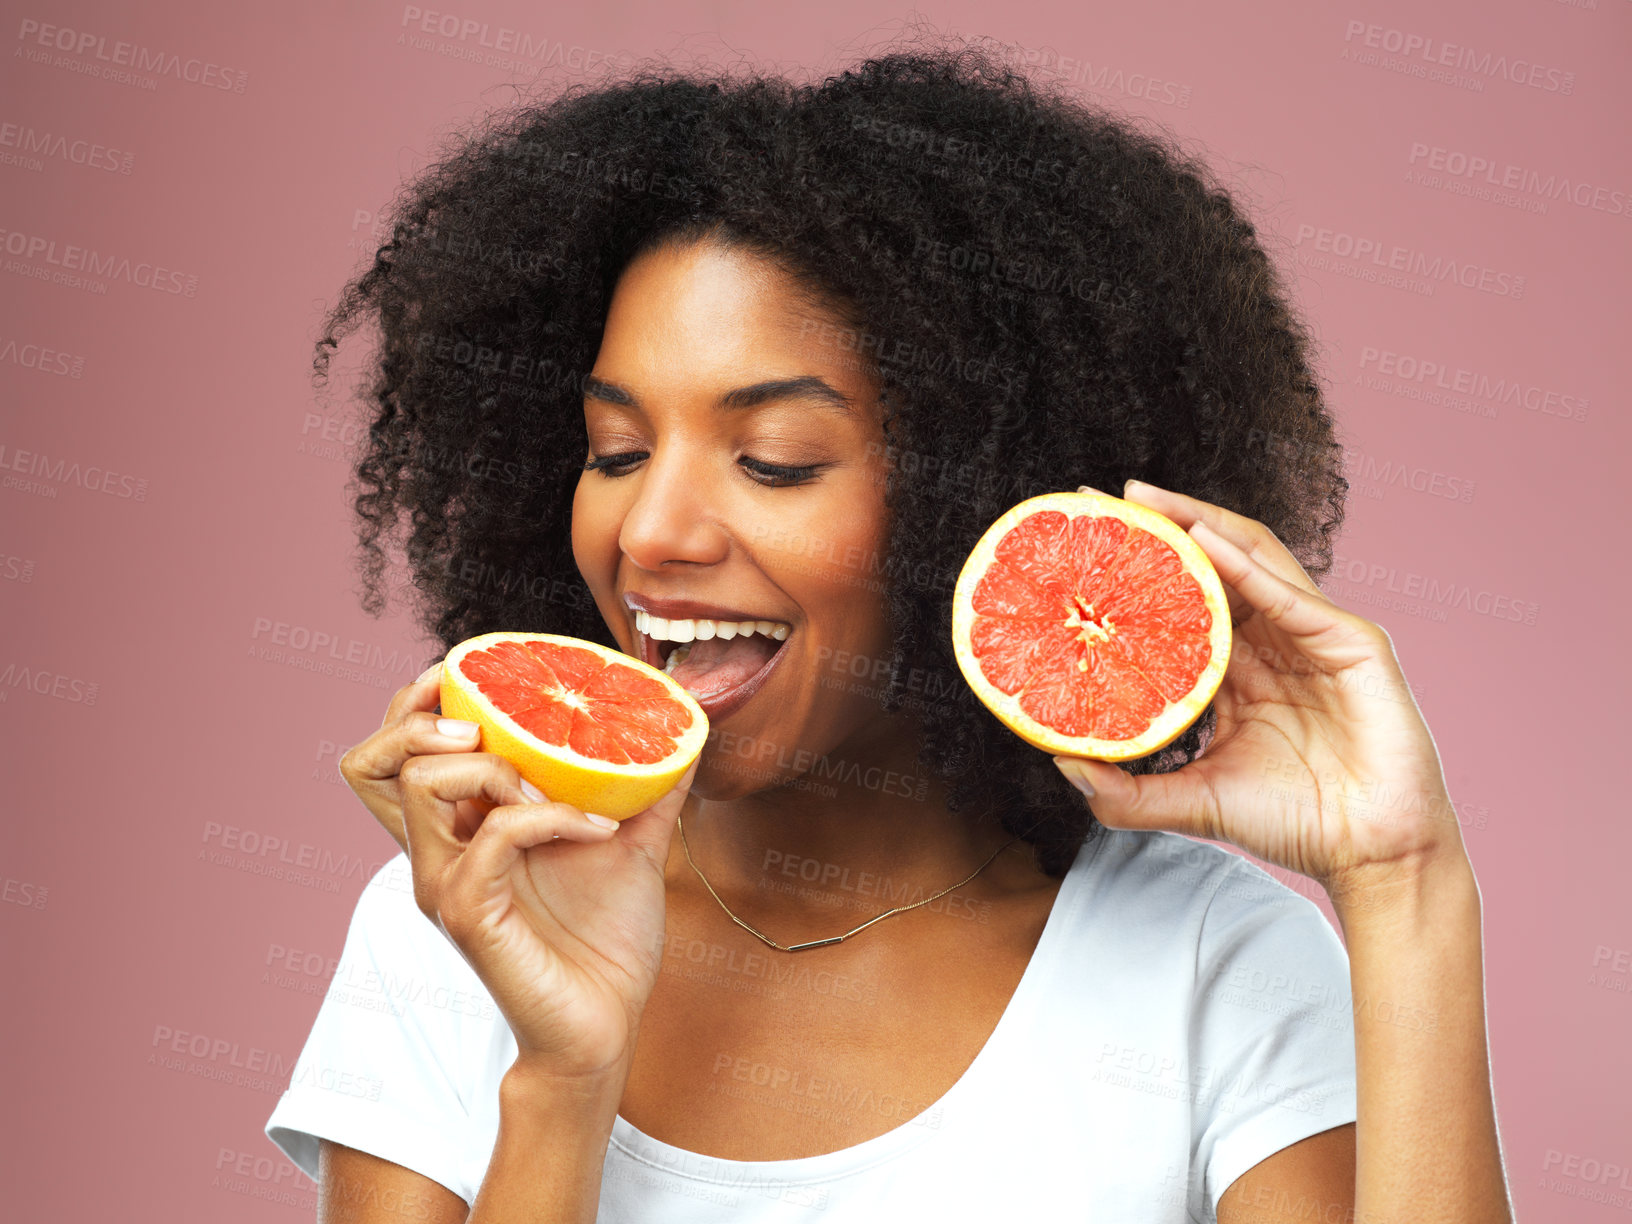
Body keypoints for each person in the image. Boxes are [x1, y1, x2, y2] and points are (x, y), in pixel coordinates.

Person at [264, 34, 1512, 1223]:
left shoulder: (1209, 966)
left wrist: (1404, 881)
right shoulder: (458, 925)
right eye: (617, 451)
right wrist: (563, 1072)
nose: (651, 531)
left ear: (974, 497)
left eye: (775, 460)